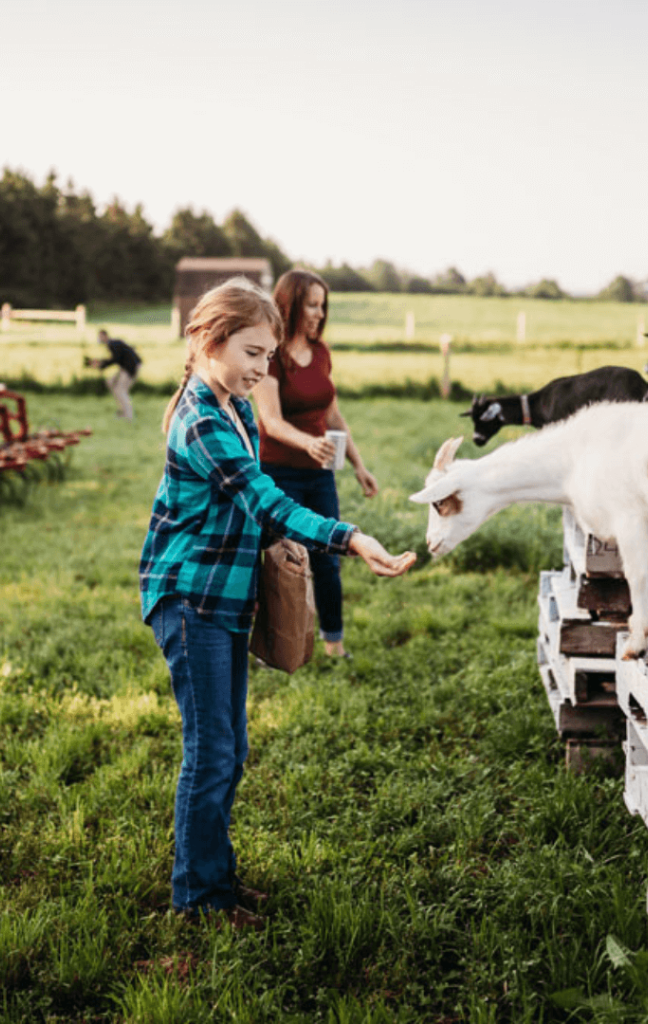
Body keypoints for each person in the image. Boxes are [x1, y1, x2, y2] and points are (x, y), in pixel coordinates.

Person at [139, 277, 414, 929]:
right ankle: (199, 899)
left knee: (228, 750)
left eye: (268, 355)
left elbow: (256, 506)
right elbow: (264, 499)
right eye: (253, 354)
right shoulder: (204, 416)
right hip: (191, 598)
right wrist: (348, 537)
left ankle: (215, 879)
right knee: (211, 752)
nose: (265, 369)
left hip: (224, 594)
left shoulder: (226, 399)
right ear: (211, 340)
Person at [254, 268, 376, 659]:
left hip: (319, 474)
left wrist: (359, 465)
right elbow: (270, 422)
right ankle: (268, 643)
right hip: (277, 472)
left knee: (327, 556)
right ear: (290, 305)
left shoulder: (321, 353)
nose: (319, 314)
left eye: (323, 306)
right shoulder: (269, 355)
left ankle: (334, 643)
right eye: (312, 305)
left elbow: (334, 417)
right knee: (279, 560)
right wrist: (308, 444)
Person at [87, 329, 141, 420]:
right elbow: (115, 359)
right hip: (126, 367)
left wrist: (101, 364)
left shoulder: (112, 344)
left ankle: (128, 415)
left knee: (120, 390)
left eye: (100, 337)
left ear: (105, 336)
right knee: (110, 382)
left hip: (130, 367)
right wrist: (101, 363)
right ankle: (123, 410)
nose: (99, 339)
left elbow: (115, 359)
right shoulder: (113, 344)